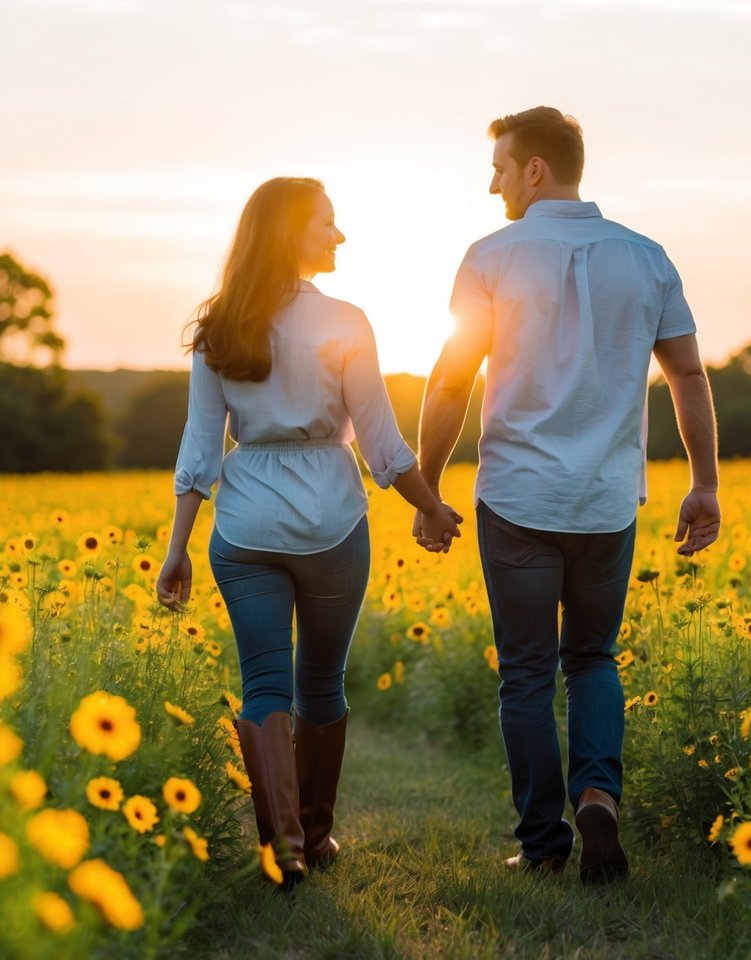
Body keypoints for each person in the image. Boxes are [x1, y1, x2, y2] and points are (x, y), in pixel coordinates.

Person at [413, 107, 720, 884]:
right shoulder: (646, 257)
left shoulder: (490, 256)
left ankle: (543, 846)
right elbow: (686, 375)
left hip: (516, 496)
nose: (493, 184)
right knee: (591, 658)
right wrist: (704, 483)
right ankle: (598, 797)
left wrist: (427, 487)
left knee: (525, 672)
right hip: (607, 501)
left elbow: (452, 379)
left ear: (535, 169)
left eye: (500, 168)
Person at [156, 176, 461, 886]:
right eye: (327, 222)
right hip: (331, 519)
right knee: (319, 681)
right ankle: (315, 838)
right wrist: (432, 507)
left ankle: (281, 846)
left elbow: (199, 452)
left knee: (264, 682)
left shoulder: (217, 325)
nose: (339, 235)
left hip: (244, 525)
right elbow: (382, 448)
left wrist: (177, 549)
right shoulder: (346, 320)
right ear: (292, 231)